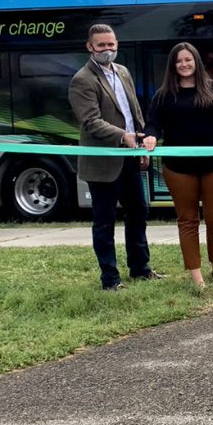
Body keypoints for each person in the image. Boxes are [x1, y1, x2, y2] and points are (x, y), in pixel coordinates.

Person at [68, 24, 164, 290]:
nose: (108, 50)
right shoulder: (82, 80)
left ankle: (140, 269)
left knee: (138, 213)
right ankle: (110, 279)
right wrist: (124, 136)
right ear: (90, 47)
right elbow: (91, 122)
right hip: (102, 164)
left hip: (131, 157)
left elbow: (134, 112)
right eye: (102, 46)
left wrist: (142, 140)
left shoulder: (123, 72)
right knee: (105, 221)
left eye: (112, 45)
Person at [142, 43, 213, 291]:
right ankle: (196, 276)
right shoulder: (164, 95)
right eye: (178, 61)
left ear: (196, 61)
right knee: (188, 220)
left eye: (188, 60)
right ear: (172, 66)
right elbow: (152, 124)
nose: (184, 64)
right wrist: (150, 136)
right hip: (179, 168)